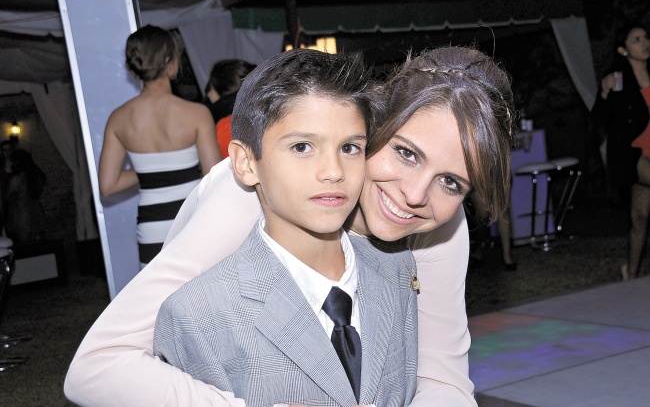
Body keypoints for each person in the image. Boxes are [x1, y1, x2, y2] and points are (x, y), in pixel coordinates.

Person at [64, 45, 514, 407]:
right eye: (406, 153)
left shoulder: (441, 229)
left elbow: (443, 379)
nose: (416, 194)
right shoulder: (250, 194)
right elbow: (98, 366)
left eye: (451, 182)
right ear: (373, 127)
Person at [153, 49, 418, 407]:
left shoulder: (395, 267)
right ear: (247, 163)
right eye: (302, 146)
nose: (333, 171)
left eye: (350, 148)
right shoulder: (197, 315)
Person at [98, 25, 221, 268]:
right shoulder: (197, 114)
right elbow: (215, 179)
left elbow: (108, 186)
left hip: (151, 230)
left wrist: (150, 170)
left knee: (158, 292)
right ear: (168, 61)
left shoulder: (119, 119)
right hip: (193, 224)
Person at [591, 22, 650, 281]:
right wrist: (604, 92)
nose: (644, 43)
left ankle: (630, 273)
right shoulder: (617, 78)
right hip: (633, 153)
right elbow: (598, 118)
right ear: (623, 49)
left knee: (639, 218)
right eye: (636, 39)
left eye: (645, 37)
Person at [203, 59, 257, 158]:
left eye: (210, 88)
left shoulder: (225, 127)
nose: (209, 94)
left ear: (224, 91)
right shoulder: (264, 117)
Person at [3, 148, 47, 243]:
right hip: (36, 213)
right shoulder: (36, 176)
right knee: (34, 244)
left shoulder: (17, 179)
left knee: (24, 246)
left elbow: (6, 196)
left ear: (16, 162)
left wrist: (9, 175)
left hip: (20, 215)